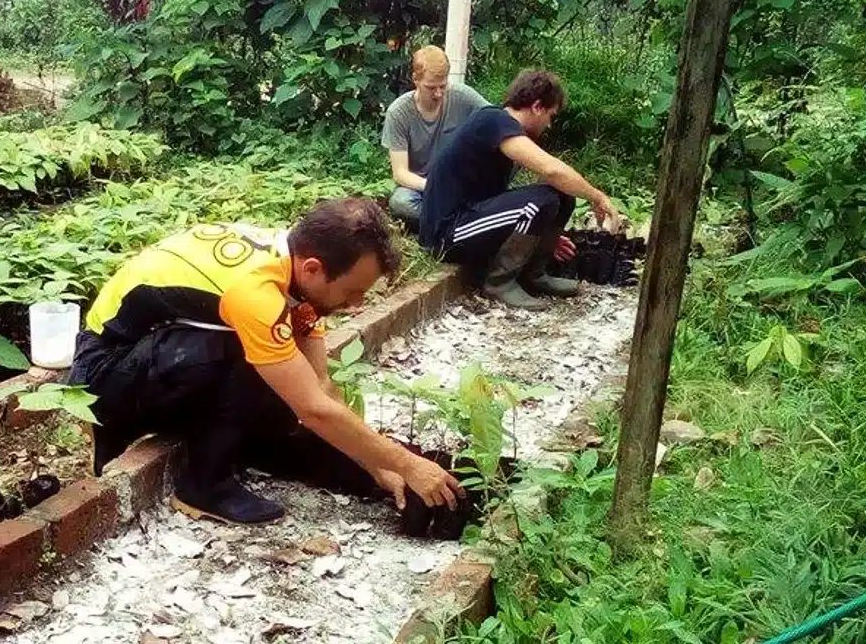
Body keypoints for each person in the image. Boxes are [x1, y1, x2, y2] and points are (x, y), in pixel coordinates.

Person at [68, 199, 465, 525]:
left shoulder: (293, 273)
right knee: (255, 353)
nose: (356, 305)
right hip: (105, 372)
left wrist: (379, 467)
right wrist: (411, 465)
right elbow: (312, 409)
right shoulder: (258, 293)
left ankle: (235, 449)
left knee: (281, 372)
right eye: (352, 292)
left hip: (165, 353)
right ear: (314, 268)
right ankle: (204, 485)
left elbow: (320, 387)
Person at [418, 70, 621, 310]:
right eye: (550, 115)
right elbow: (552, 170)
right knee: (541, 199)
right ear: (536, 106)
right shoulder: (494, 121)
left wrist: (541, 238)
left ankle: (533, 274)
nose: (549, 124)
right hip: (446, 234)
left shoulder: (499, 125)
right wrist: (598, 197)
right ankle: (499, 282)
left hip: (470, 219)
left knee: (562, 196)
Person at [381, 46, 491, 229]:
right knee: (401, 202)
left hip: (460, 179)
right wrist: (436, 186)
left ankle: (449, 219)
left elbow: (496, 120)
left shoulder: (462, 96)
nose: (438, 93)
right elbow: (400, 173)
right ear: (415, 79)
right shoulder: (398, 113)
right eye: (431, 88)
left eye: (443, 86)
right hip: (421, 186)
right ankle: (463, 220)